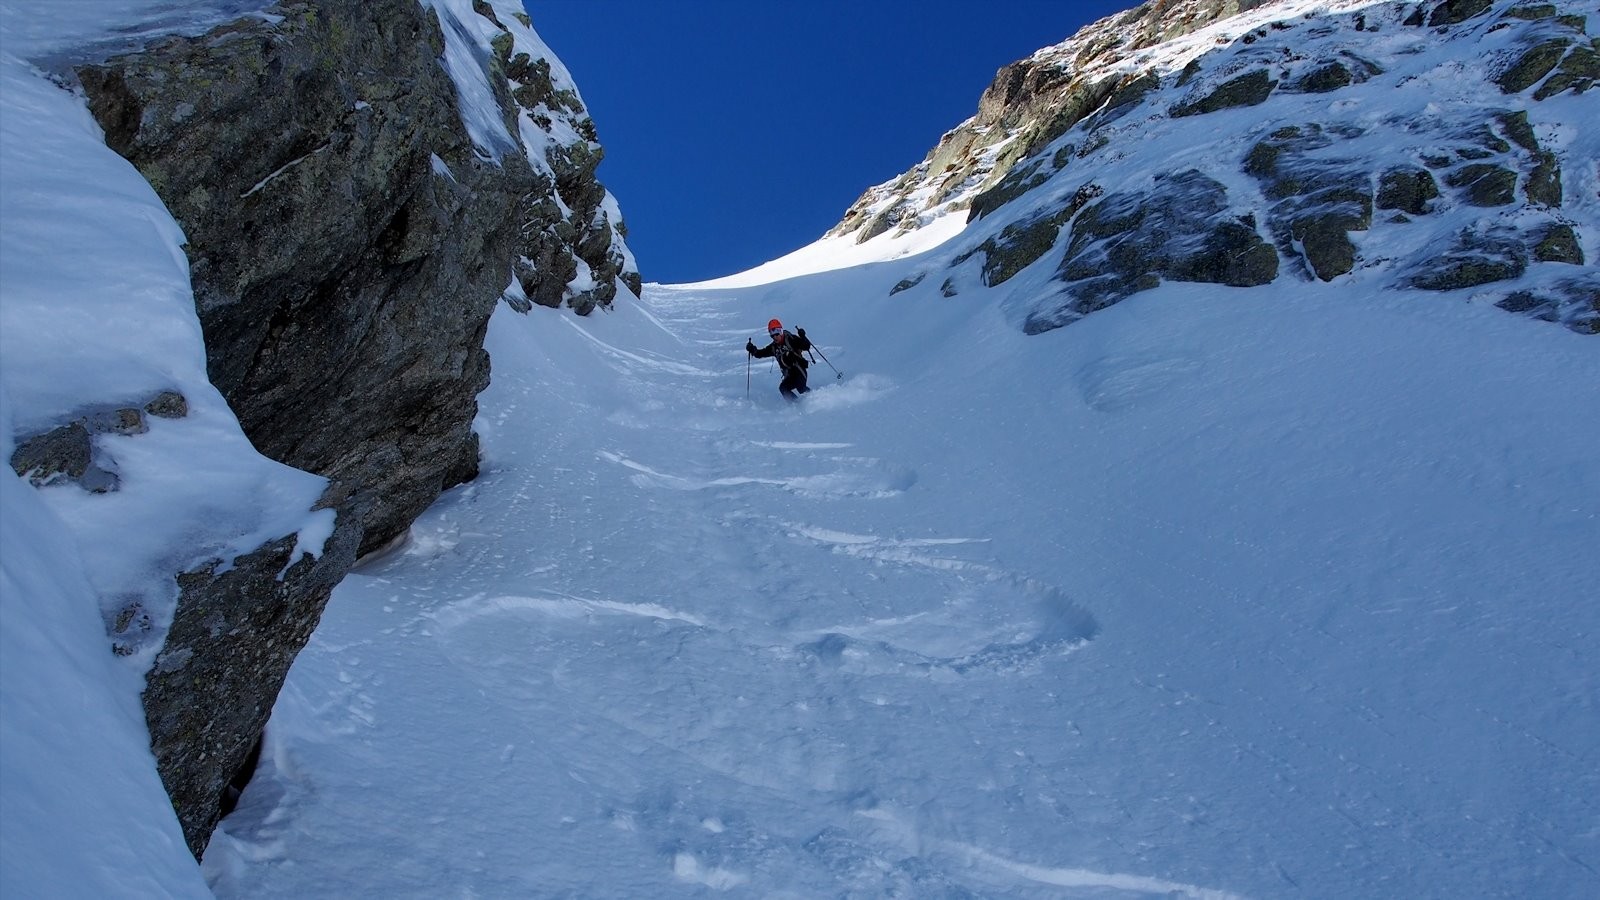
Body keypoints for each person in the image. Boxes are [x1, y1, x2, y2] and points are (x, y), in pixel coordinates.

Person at [747, 318, 813, 401]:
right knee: (783, 388)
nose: (775, 337)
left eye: (777, 334)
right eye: (772, 335)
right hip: (789, 374)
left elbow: (806, 346)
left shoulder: (790, 339)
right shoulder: (774, 347)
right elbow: (760, 353)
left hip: (799, 370)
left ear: (781, 331)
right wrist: (752, 349)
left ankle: (815, 398)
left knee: (801, 388)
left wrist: (803, 337)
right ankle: (796, 406)